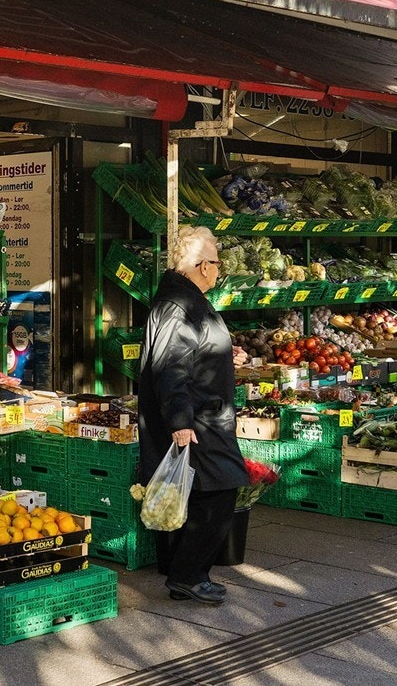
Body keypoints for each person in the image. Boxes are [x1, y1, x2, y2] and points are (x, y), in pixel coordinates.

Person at [136, 225, 247, 603]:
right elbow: (171, 366)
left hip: (204, 414)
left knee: (204, 493)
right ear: (201, 266)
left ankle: (187, 574)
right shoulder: (179, 304)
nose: (219, 270)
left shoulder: (184, 300)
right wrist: (180, 423)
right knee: (220, 491)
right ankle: (186, 574)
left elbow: (190, 352)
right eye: (217, 263)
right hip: (198, 419)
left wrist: (219, 355)